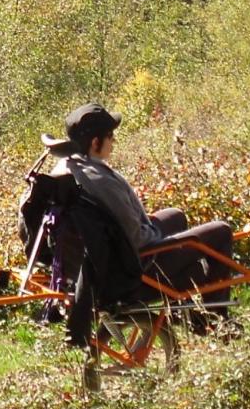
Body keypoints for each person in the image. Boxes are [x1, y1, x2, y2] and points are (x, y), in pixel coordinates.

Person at [43, 103, 235, 321]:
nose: (113, 141)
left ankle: (182, 309)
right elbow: (136, 239)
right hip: (133, 268)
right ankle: (213, 319)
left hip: (99, 258)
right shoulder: (100, 181)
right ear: (95, 142)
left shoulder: (66, 169)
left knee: (176, 215)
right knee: (221, 231)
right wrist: (164, 239)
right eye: (110, 136)